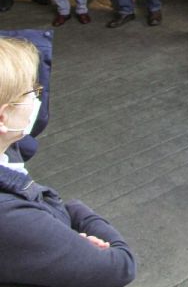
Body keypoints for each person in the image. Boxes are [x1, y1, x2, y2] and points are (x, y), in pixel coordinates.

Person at [0, 37, 136, 287]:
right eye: (32, 92)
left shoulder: (8, 151)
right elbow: (120, 266)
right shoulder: (11, 218)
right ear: (3, 117)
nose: (37, 100)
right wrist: (76, 213)